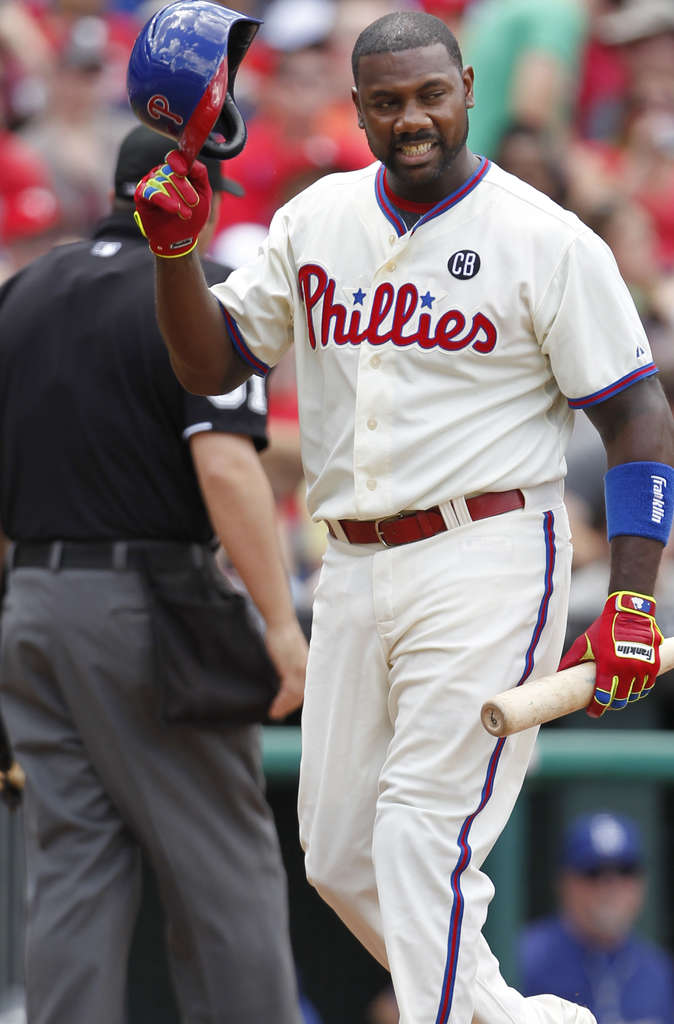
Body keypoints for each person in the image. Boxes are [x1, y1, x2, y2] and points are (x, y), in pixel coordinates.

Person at [133, 9, 674, 1024]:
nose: (411, 117)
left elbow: (637, 414)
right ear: (358, 113)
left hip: (488, 549)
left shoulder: (542, 235)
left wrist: (633, 599)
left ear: (466, 86)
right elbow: (210, 366)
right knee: (338, 849)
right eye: (387, 103)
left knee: (421, 833)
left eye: (429, 94)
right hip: (348, 561)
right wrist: (174, 254)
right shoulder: (318, 218)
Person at [0, 123, 309, 1024]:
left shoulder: (18, 297)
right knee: (225, 867)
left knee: (74, 873)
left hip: (32, 609)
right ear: (191, 196)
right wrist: (282, 627)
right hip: (145, 611)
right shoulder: (196, 294)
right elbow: (222, 463)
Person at [520, 811, 674, 1024]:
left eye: (625, 871)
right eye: (593, 872)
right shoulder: (525, 960)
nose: (610, 887)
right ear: (564, 882)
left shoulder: (658, 971)